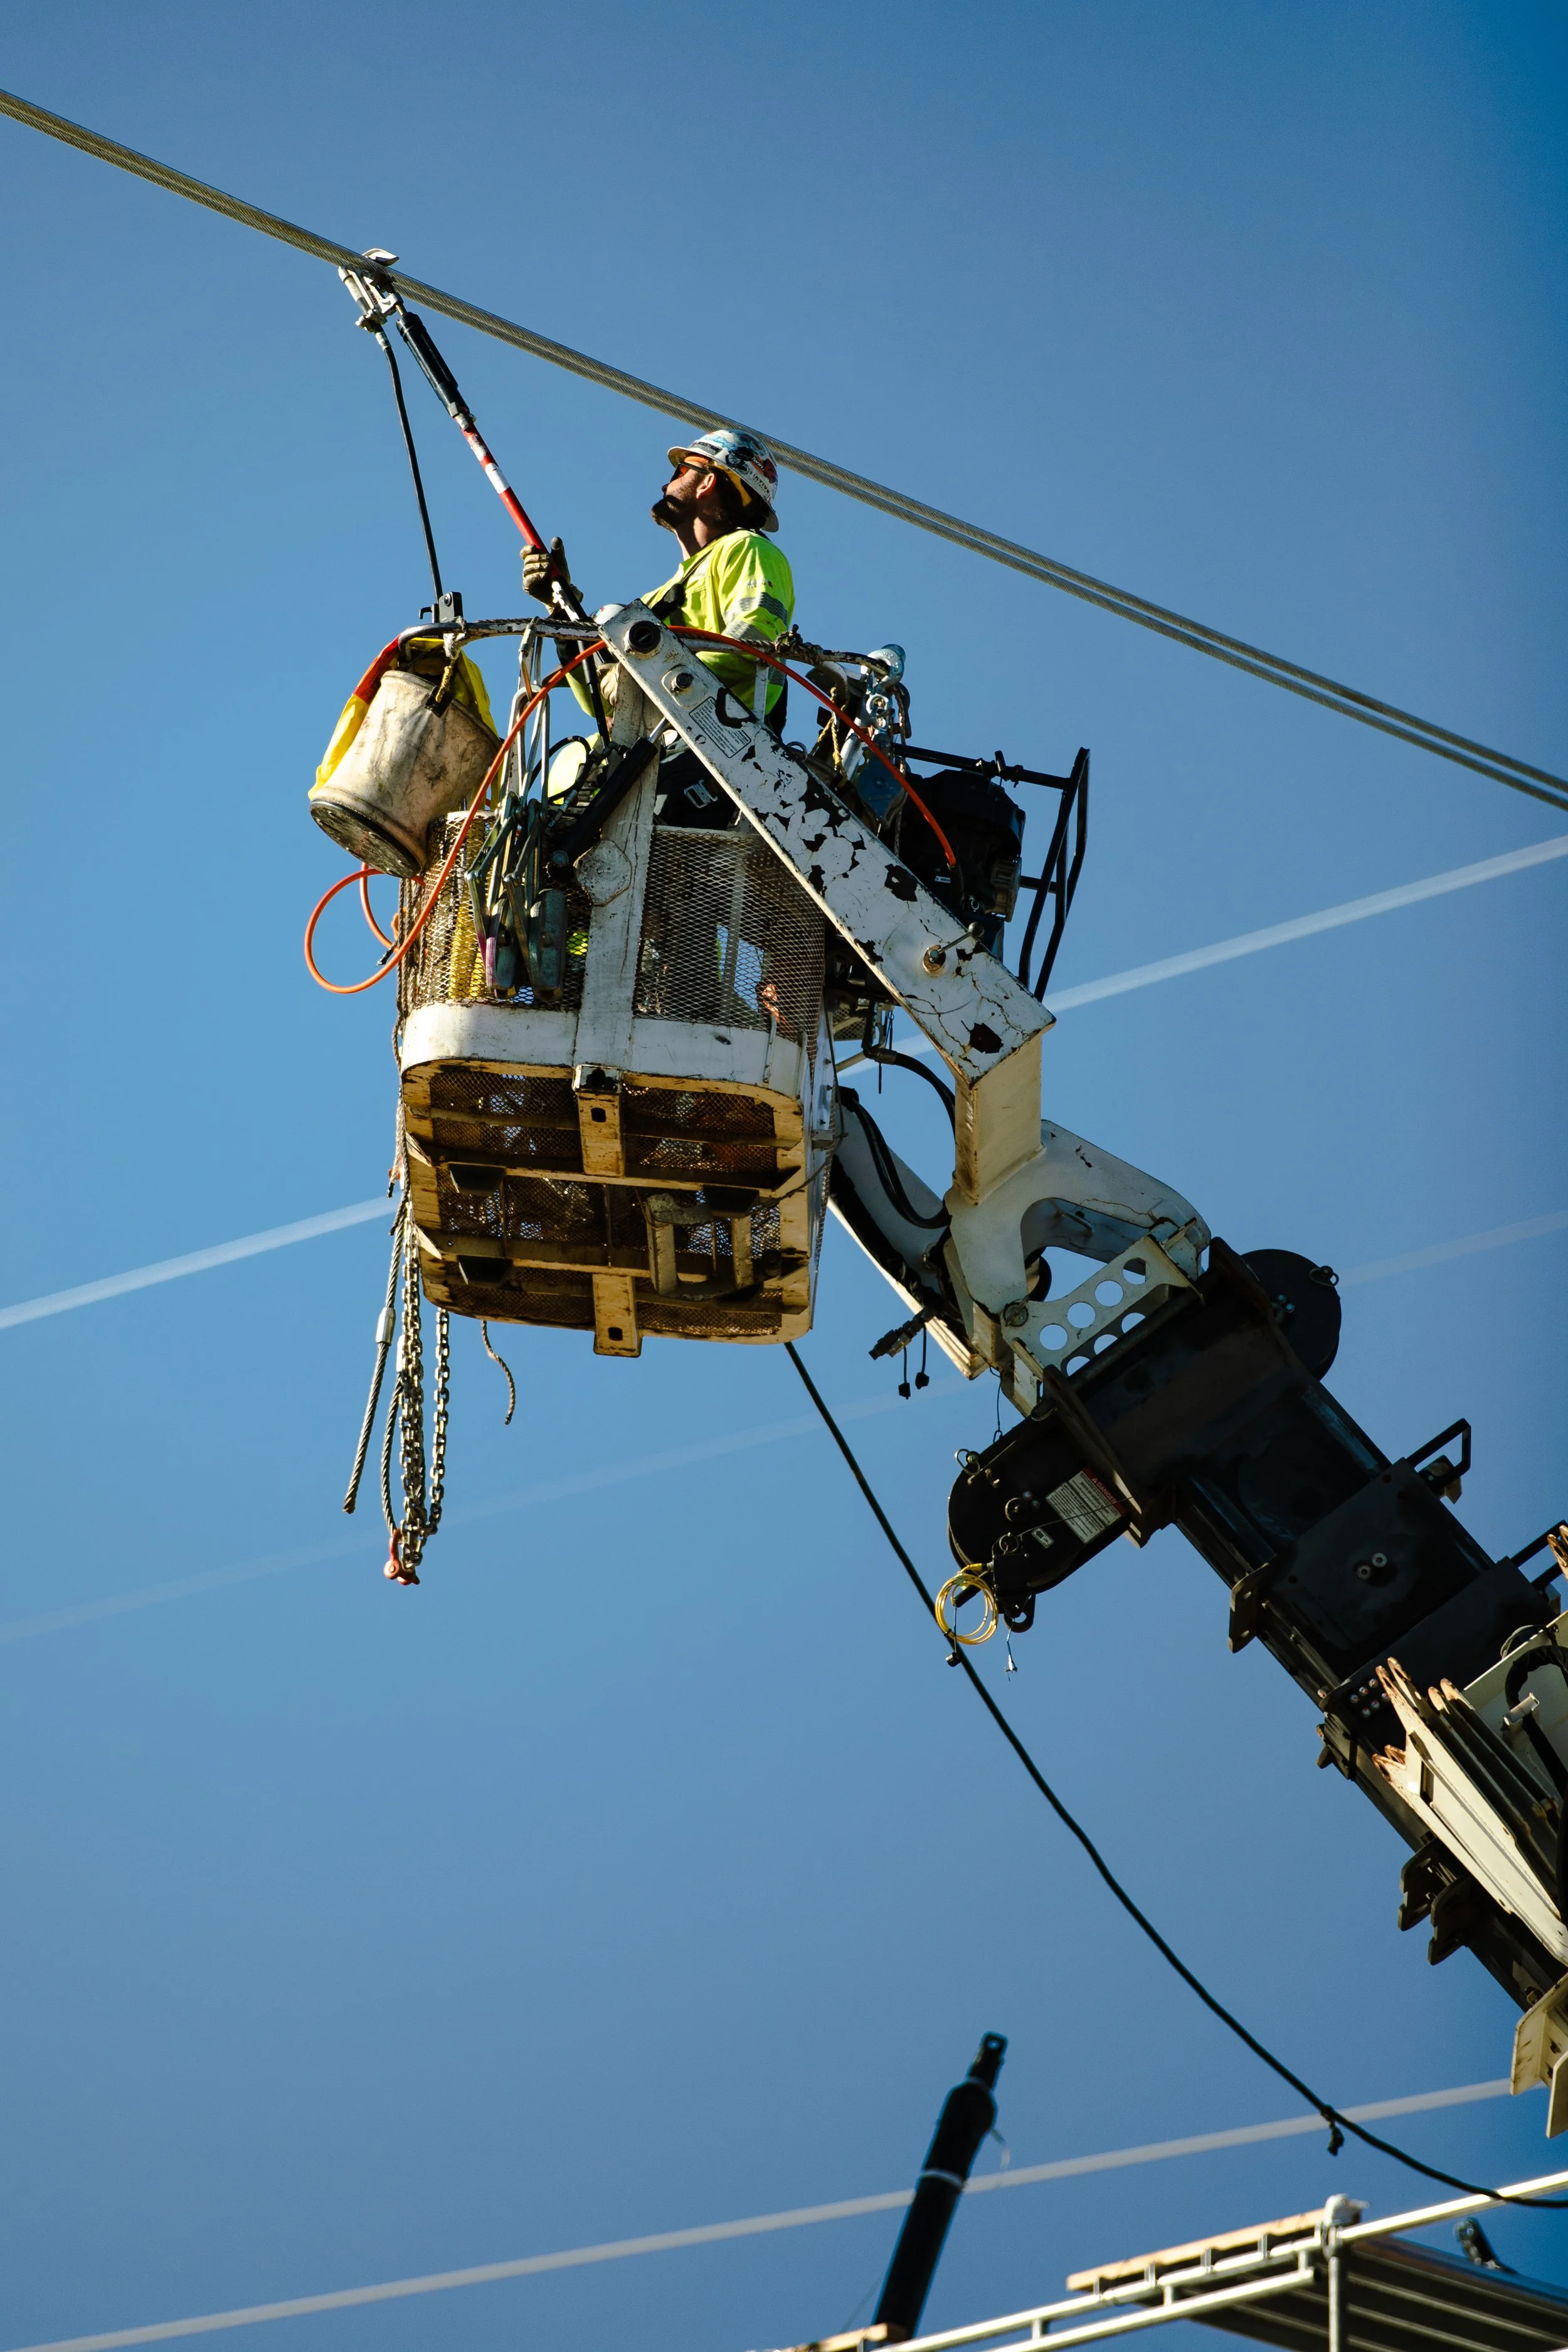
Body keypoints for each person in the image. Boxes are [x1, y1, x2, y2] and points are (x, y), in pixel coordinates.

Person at [523, 428, 794, 826]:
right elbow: (600, 703)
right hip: (650, 753)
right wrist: (562, 610)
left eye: (682, 469)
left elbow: (753, 643)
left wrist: (645, 681)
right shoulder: (658, 598)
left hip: (718, 747)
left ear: (708, 481)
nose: (667, 483)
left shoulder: (748, 550)